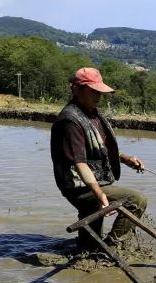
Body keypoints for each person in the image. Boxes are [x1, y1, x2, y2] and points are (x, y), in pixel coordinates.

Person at [50, 67, 148, 254]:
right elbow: (80, 163)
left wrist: (125, 158)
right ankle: (111, 248)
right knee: (137, 200)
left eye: (99, 92)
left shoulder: (92, 113)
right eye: (93, 91)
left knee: (89, 246)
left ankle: (90, 249)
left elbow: (97, 151)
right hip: (80, 186)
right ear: (78, 89)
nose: (98, 96)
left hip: (95, 181)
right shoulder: (70, 121)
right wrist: (99, 194)